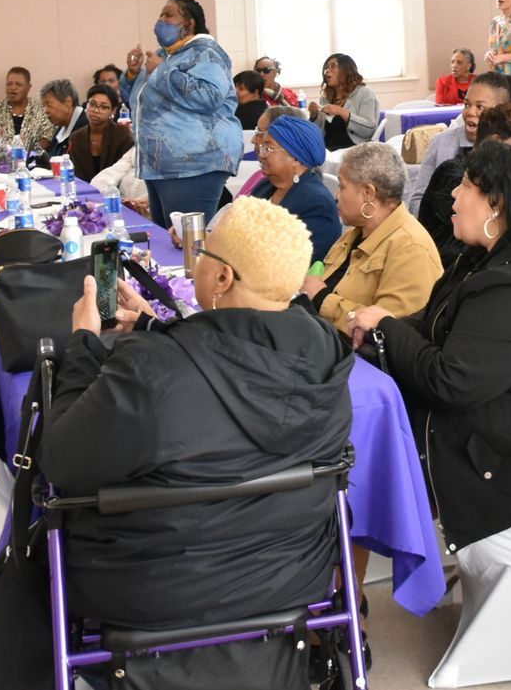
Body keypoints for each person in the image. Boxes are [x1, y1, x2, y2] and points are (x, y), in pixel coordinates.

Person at [40, 196, 352, 690]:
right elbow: (234, 366)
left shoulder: (150, 369)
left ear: (223, 278)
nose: (197, 260)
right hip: (291, 574)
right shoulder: (325, 351)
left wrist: (82, 345)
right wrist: (150, 326)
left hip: (149, 587)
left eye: (202, 253)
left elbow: (61, 461)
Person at [348, 142, 511, 554]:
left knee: (354, 447)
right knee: (360, 423)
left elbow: (450, 382)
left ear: (496, 205)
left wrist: (388, 328)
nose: (453, 194)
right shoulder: (486, 259)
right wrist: (383, 325)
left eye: (466, 185)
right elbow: (436, 322)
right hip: (499, 415)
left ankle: (345, 584)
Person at [307, 143, 443, 336]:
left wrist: (322, 299)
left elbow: (390, 330)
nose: (337, 195)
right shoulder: (355, 234)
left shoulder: (411, 249)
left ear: (368, 193)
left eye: (342, 186)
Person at [126, 0, 236, 228]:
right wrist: (133, 76)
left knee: (186, 245)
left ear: (189, 23)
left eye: (168, 15)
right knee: (167, 243)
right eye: (160, 15)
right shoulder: (166, 56)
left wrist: (162, 71)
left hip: (193, 165)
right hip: (161, 164)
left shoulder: (207, 53)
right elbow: (140, 103)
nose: (160, 20)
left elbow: (209, 96)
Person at [404, 74, 511, 216]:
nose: (470, 112)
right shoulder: (442, 142)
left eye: (480, 107)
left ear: (501, 110)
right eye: (467, 104)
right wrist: (449, 219)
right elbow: (417, 201)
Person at [419, 102, 511, 269]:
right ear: (495, 142)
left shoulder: (493, 177)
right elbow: (465, 242)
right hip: (443, 266)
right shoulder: (454, 174)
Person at [250, 115, 342, 262]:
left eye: (268, 148)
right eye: (262, 148)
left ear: (296, 159)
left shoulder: (316, 203)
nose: (261, 154)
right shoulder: (266, 186)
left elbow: (292, 262)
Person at [0, 66, 55, 154]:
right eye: (9, 84)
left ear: (29, 87)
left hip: (33, 161)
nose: (13, 88)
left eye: (18, 84)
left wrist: (30, 153)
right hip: (1, 163)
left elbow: (48, 136)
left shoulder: (40, 109)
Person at [311, 53, 380, 152]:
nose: (326, 71)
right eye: (326, 68)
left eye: (333, 66)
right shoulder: (325, 98)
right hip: (327, 154)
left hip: (355, 154)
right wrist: (314, 116)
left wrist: (340, 111)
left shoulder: (364, 93)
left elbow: (369, 130)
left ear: (346, 69)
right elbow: (316, 133)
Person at [66, 84, 134, 183]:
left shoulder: (123, 135)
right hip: (85, 191)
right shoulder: (76, 137)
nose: (96, 110)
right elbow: (76, 174)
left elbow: (124, 172)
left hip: (116, 191)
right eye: (92, 104)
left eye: (103, 107)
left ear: (113, 111)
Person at [37, 78, 86, 160]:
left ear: (68, 102)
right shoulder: (61, 126)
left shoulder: (85, 126)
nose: (45, 111)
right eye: (43, 106)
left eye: (49, 104)